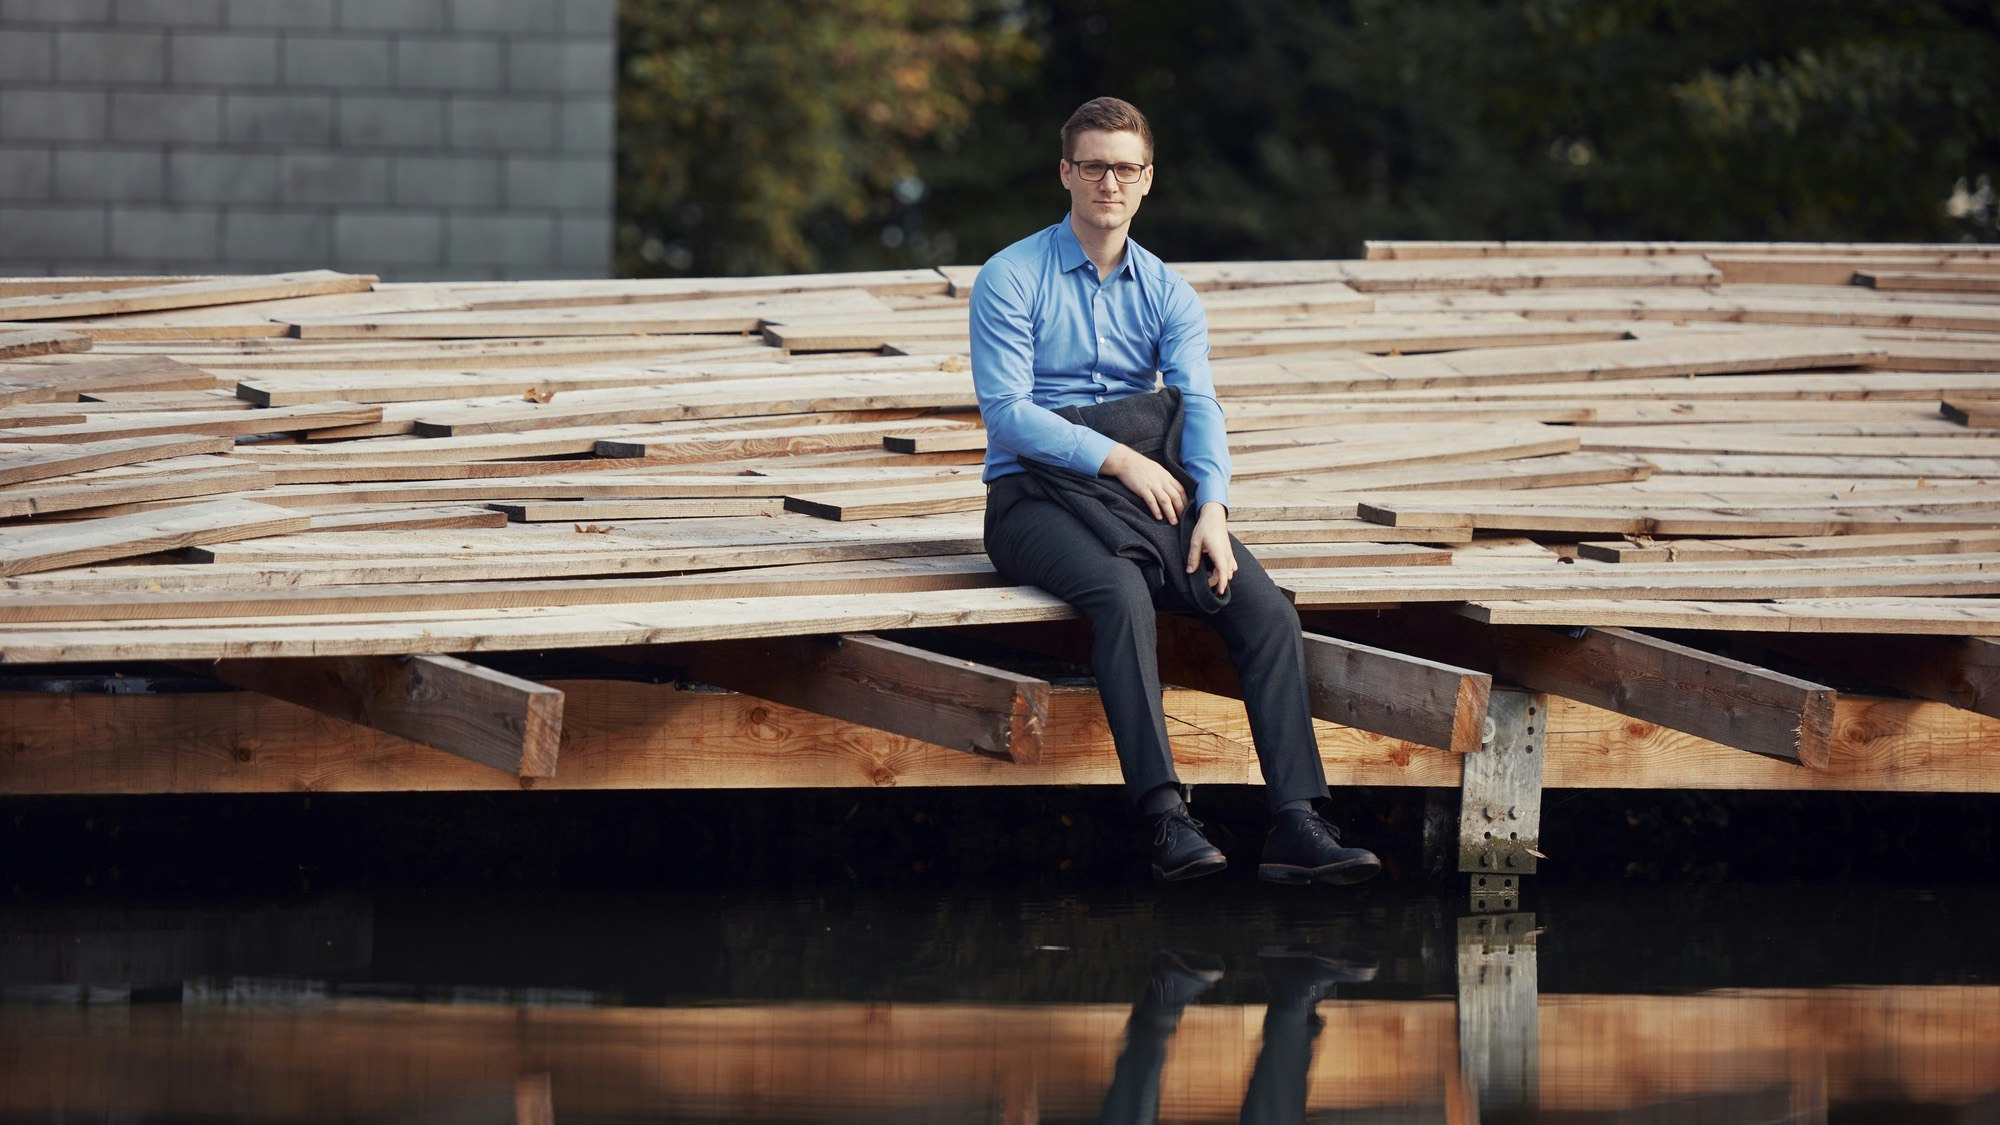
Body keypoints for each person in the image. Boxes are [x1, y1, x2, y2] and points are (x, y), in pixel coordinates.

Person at [970, 96, 1382, 885]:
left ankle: (1297, 821)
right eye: (1092, 165)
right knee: (1121, 591)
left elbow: (1199, 406)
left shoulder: (1168, 292)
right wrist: (1119, 459)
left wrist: (1215, 510)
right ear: (1066, 172)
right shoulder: (1009, 277)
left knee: (1263, 607)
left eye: (1124, 168)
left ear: (1147, 179)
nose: (1108, 182)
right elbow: (1009, 415)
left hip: (1146, 494)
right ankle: (1164, 818)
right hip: (1028, 497)